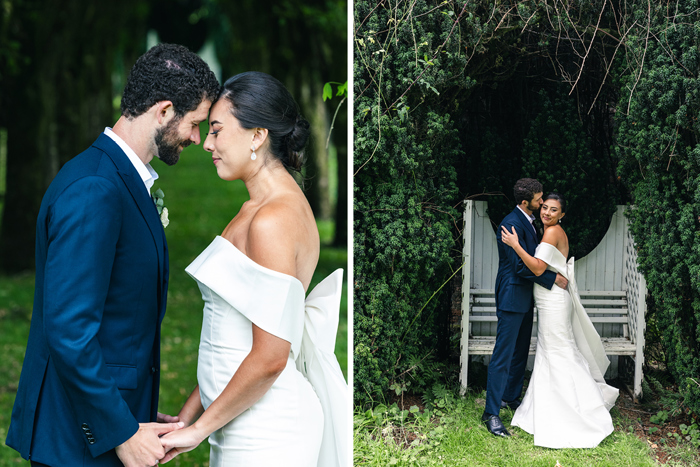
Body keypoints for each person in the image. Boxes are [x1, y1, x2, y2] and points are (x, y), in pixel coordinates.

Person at [5, 43, 220, 467]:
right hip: (75, 441)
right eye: (195, 124)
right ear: (163, 111)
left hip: (108, 419)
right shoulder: (95, 188)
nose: (197, 138)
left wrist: (132, 410)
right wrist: (119, 429)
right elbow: (69, 329)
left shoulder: (117, 178)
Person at [158, 71, 347, 466]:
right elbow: (233, 340)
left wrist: (199, 429)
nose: (207, 143)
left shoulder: (272, 220)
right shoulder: (256, 209)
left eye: (217, 130)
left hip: (267, 432)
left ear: (258, 136)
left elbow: (272, 355)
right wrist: (188, 416)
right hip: (239, 420)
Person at [501, 192, 619, 448]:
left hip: (554, 302)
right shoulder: (548, 231)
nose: (547, 213)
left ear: (562, 215)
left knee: (558, 353)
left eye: (553, 210)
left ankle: (577, 411)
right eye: (544, 207)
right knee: (551, 352)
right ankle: (548, 408)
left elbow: (537, 268)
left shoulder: (553, 233)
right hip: (549, 300)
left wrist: (515, 244)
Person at [482, 178, 569, 438]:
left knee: (520, 351)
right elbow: (521, 266)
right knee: (503, 355)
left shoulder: (530, 222)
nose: (542, 203)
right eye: (538, 199)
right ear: (525, 202)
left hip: (526, 298)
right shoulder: (511, 224)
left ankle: (510, 397)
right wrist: (551, 279)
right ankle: (491, 413)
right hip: (511, 298)